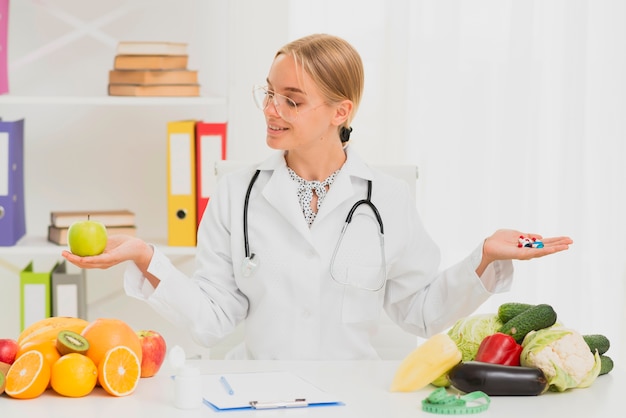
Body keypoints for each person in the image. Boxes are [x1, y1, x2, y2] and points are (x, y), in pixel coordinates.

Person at [63, 33, 572, 360]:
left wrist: (483, 258)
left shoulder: (386, 199)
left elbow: (420, 315)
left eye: (292, 100)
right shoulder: (236, 193)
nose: (271, 110)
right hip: (257, 398)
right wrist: (148, 258)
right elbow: (214, 323)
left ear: (339, 111)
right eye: (269, 93)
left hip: (358, 401)